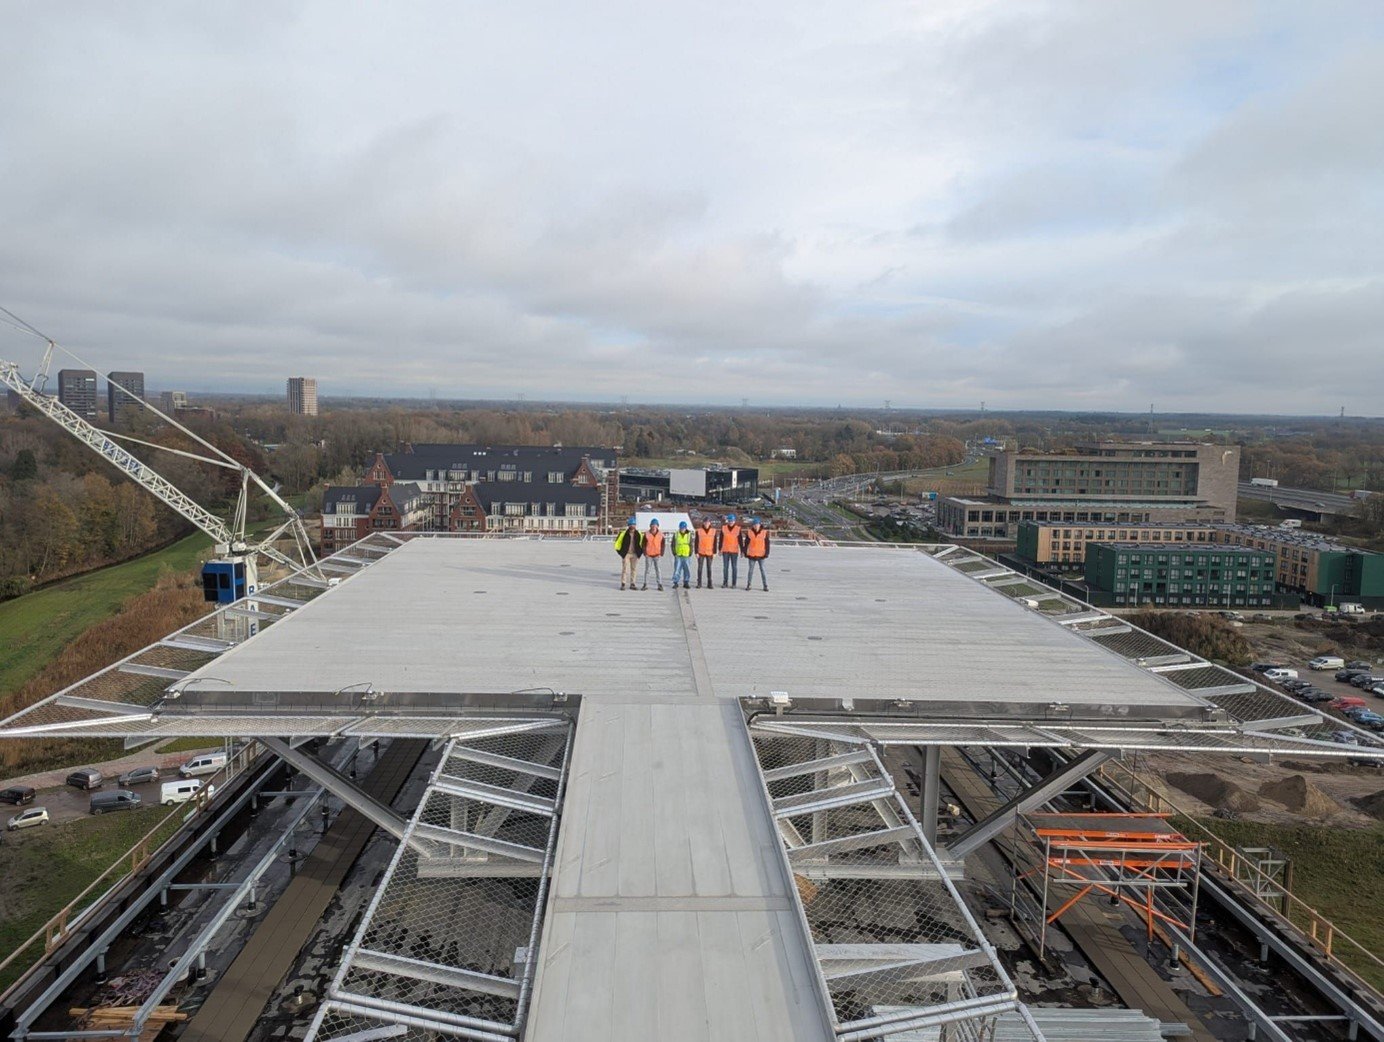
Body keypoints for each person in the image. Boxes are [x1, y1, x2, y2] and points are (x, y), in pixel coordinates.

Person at [613, 516, 642, 590]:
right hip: (626, 554)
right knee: (625, 569)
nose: (632, 526)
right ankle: (623, 584)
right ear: (628, 525)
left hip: (635, 554)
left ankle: (633, 584)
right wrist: (621, 553)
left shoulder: (639, 534)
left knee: (634, 569)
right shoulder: (623, 534)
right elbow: (617, 543)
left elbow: (642, 544)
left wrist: (639, 553)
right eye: (631, 524)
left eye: (634, 524)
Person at [742, 517, 770, 591]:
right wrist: (745, 552)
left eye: (757, 524)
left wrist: (767, 553)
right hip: (752, 555)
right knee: (750, 571)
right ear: (753, 525)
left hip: (761, 555)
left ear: (759, 524)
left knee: (762, 570)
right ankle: (749, 584)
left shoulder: (764, 532)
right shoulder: (750, 532)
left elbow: (767, 544)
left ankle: (765, 585)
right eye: (754, 525)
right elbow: (746, 543)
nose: (756, 526)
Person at [641, 518, 666, 590]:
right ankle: (645, 584)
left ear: (658, 526)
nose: (653, 526)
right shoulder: (646, 534)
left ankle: (659, 584)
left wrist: (662, 553)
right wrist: (645, 553)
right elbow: (643, 544)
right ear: (650, 526)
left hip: (657, 555)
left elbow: (663, 544)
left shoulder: (661, 534)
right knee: (647, 570)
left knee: (658, 570)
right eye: (652, 525)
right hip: (648, 555)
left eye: (655, 525)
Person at [719, 513, 742, 588]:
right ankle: (725, 582)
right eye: (729, 520)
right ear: (727, 521)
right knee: (725, 567)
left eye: (732, 521)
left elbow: (740, 541)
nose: (730, 522)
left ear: (734, 521)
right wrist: (719, 549)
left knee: (734, 567)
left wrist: (742, 551)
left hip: (734, 551)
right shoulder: (724, 528)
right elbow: (721, 540)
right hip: (725, 551)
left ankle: (734, 583)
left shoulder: (738, 529)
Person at [694, 516, 717, 589]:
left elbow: (715, 542)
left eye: (708, 522)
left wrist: (714, 552)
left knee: (709, 568)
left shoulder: (713, 531)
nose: (707, 523)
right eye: (705, 522)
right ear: (703, 523)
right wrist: (696, 552)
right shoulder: (699, 531)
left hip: (710, 553)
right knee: (700, 568)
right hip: (701, 552)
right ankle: (699, 583)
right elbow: (696, 542)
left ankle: (709, 583)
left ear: (710, 523)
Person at [671, 521, 693, 589]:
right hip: (678, 555)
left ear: (686, 528)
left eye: (684, 528)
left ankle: (686, 582)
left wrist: (690, 553)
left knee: (687, 569)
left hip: (686, 555)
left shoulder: (689, 534)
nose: (682, 529)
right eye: (681, 528)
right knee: (677, 569)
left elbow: (691, 544)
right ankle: (676, 582)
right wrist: (674, 553)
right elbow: (673, 545)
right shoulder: (676, 534)